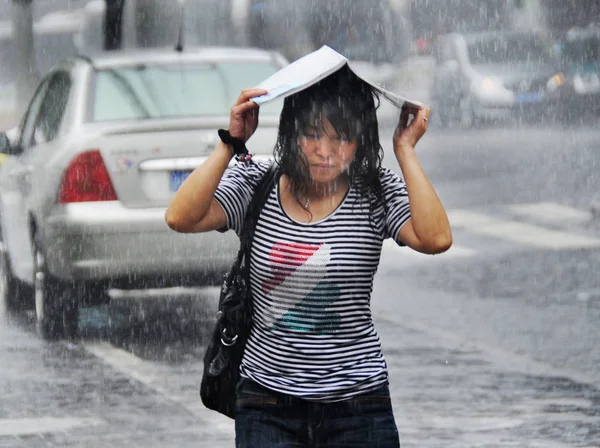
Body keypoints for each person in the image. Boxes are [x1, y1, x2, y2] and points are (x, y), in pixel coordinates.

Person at [165, 66, 452, 447]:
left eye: (342, 139)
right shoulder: (256, 182)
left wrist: (405, 151)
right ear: (291, 132)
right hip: (267, 402)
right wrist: (229, 144)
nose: (324, 152)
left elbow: (436, 238)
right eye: (312, 134)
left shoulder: (375, 191)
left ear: (361, 140)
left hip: (358, 404)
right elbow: (179, 217)